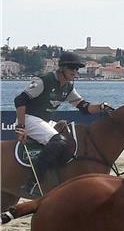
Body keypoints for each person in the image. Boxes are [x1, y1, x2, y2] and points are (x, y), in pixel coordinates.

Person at [14, 51, 110, 192]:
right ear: (62, 68)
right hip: (29, 118)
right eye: (72, 68)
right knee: (58, 141)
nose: (75, 71)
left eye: (77, 68)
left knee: (70, 140)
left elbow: (84, 107)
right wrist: (21, 126)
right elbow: (20, 100)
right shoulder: (44, 80)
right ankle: (33, 183)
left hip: (45, 121)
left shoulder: (68, 87)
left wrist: (101, 106)